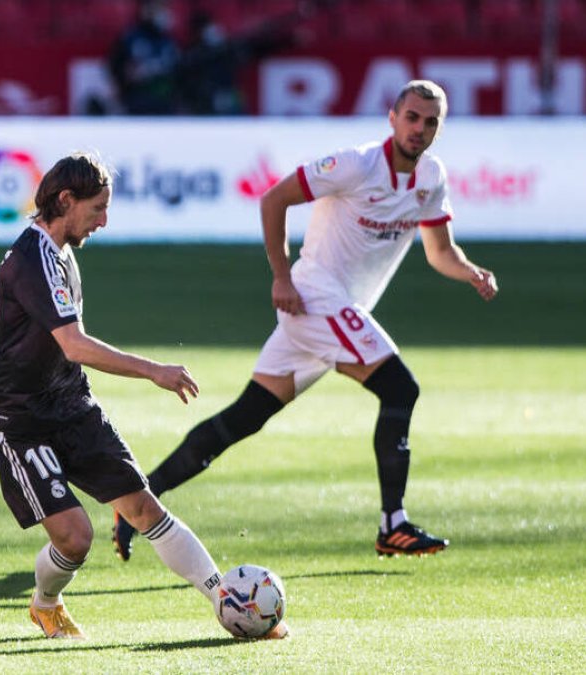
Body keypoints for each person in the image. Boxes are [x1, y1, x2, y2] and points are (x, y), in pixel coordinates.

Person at [114, 80, 498, 560]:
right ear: (393, 117)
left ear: (439, 129)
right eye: (412, 117)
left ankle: (136, 502)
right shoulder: (356, 165)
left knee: (244, 418)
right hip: (316, 297)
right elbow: (274, 199)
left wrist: (470, 273)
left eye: (430, 122)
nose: (419, 129)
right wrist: (282, 278)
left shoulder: (431, 176)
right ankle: (392, 524)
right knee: (401, 389)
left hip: (337, 314)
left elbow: (440, 252)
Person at [0, 153, 268, 640]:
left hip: (72, 407)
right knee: (75, 539)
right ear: (66, 201)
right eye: (97, 208)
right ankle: (45, 602)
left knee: (145, 509)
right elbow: (74, 343)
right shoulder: (32, 257)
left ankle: (227, 600)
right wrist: (154, 370)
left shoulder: (59, 253)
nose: (104, 220)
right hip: (21, 421)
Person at [107, 0, 181, 115]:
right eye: (158, 8)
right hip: (137, 104)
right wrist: (124, 79)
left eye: (164, 8)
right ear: (146, 10)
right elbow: (115, 67)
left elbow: (179, 70)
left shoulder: (169, 40)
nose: (163, 13)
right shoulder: (130, 38)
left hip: (167, 104)